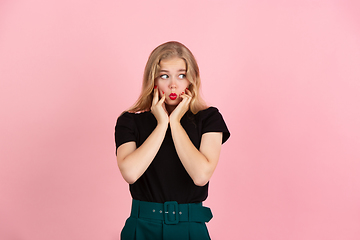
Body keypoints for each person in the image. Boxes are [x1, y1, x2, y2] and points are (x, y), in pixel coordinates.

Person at [114, 41, 230, 240]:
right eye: (164, 76)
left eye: (182, 75)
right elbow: (131, 173)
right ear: (153, 80)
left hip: (190, 228)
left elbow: (201, 175)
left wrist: (175, 122)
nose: (173, 84)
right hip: (142, 227)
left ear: (192, 79)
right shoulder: (129, 121)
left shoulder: (209, 118)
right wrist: (161, 125)